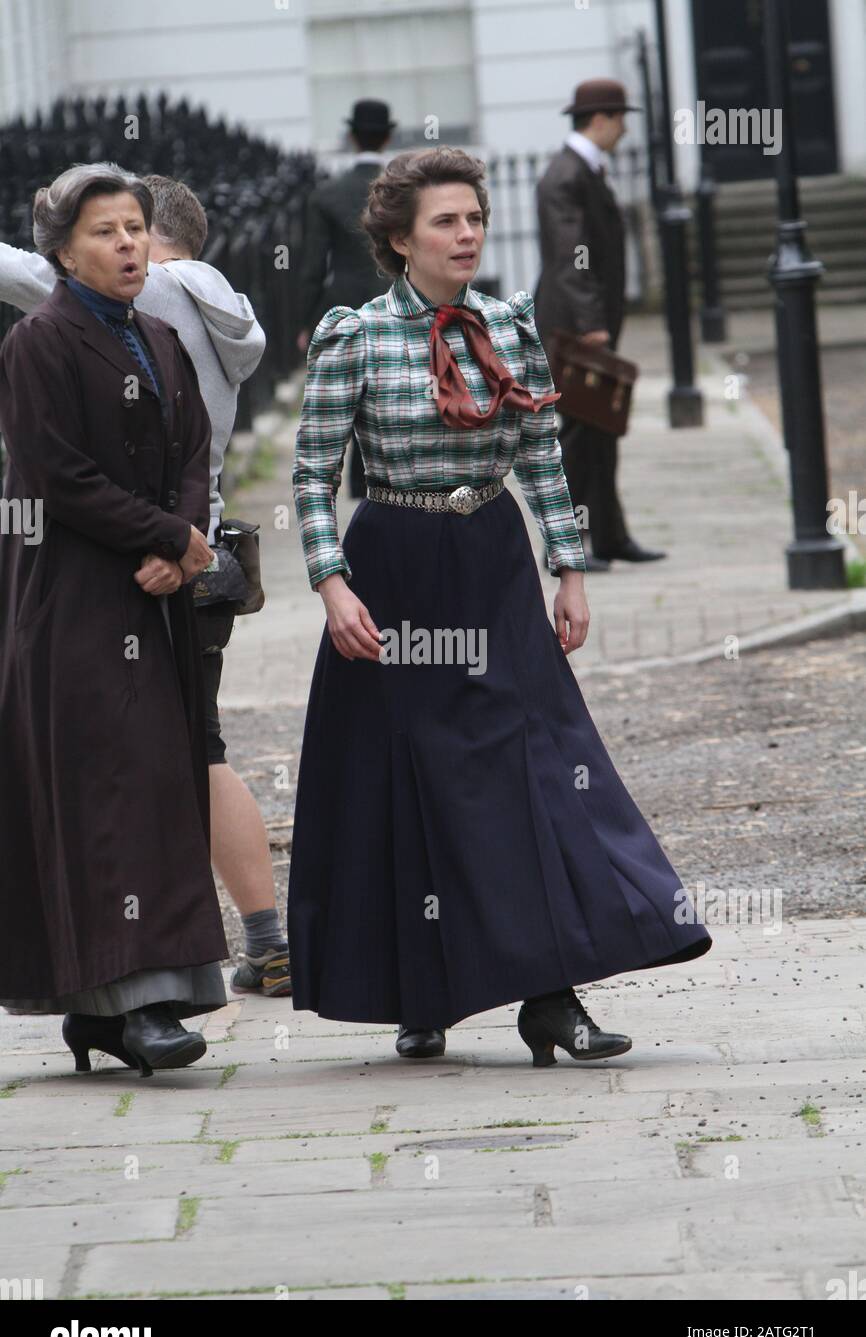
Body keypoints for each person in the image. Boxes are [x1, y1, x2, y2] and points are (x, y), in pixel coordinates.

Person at [286, 146, 711, 1064]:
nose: (468, 232)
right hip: (392, 570)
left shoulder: (511, 328)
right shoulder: (353, 339)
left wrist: (570, 568)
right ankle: (419, 990)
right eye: (447, 221)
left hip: (492, 561)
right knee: (408, 784)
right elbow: (313, 477)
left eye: (474, 217)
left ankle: (551, 999)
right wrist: (330, 584)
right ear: (400, 241)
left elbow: (544, 460)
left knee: (534, 772)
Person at [0, 168, 290, 1001]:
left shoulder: (151, 327)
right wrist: (177, 535)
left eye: (133, 228)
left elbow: (182, 449)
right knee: (157, 760)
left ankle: (173, 974)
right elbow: (79, 467)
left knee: (168, 765)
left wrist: (176, 540)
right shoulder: (52, 341)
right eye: (106, 230)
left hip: (156, 571)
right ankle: (160, 977)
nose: (126, 245)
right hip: (137, 570)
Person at [535, 78, 666, 571]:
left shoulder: (582, 171)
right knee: (579, 434)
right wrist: (592, 323)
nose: (625, 128)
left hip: (585, 323)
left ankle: (609, 536)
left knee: (601, 428)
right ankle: (564, 545)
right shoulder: (565, 176)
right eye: (621, 118)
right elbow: (572, 258)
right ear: (601, 120)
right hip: (573, 327)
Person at [296, 99, 397, 498]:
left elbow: (311, 268)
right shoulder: (401, 191)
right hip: (395, 300)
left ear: (351, 135)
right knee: (391, 393)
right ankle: (381, 479)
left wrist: (306, 322)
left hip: (343, 307)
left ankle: (353, 488)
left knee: (349, 395)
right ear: (388, 135)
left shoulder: (326, 196)